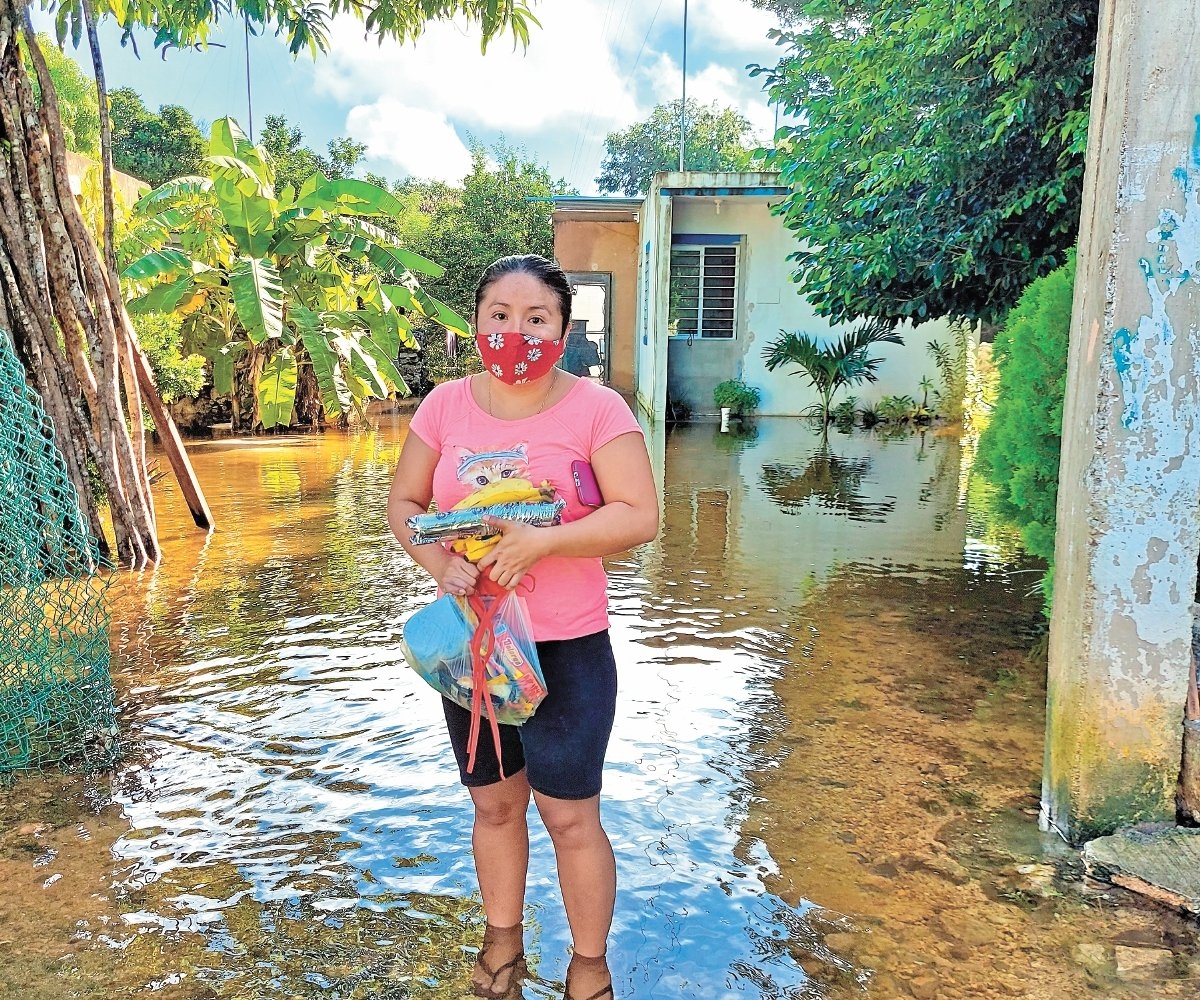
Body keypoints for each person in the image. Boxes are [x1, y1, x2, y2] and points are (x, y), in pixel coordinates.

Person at [387, 254, 659, 1000]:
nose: (517, 332)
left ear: (564, 330)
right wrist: (438, 564)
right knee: (495, 805)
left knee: (571, 817)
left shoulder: (597, 410)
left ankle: (590, 966)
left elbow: (640, 515)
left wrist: (544, 541)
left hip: (566, 647)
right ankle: (501, 946)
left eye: (536, 319)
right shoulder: (444, 407)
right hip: (475, 646)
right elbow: (405, 505)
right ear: (476, 325)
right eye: (500, 317)